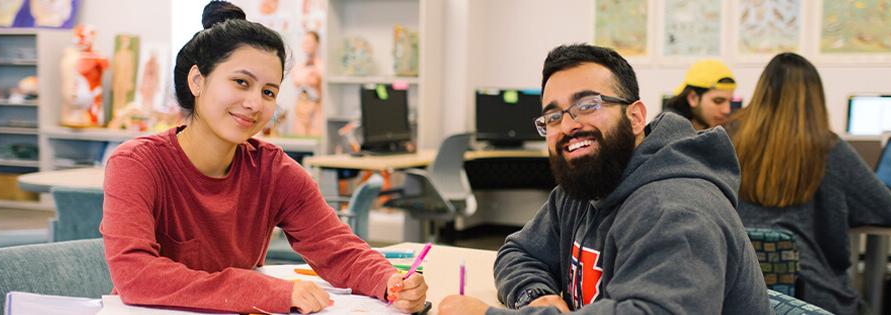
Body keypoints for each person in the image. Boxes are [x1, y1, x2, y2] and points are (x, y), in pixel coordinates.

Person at [100, 2, 427, 314]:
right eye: (241, 83)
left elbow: (337, 248)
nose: (255, 103)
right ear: (197, 81)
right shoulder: (137, 164)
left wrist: (388, 281)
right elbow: (136, 275)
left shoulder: (274, 171)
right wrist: (271, 292)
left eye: (269, 92)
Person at [438, 44, 770, 314]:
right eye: (553, 116)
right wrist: (536, 296)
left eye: (588, 104)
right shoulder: (584, 185)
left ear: (636, 117)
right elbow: (519, 252)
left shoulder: (677, 209)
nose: (568, 126)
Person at [727, 52, 891, 315]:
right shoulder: (828, 148)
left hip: (736, 292)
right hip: (813, 299)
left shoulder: (728, 140)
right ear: (815, 100)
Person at [663, 59, 736, 130]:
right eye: (718, 101)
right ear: (693, 98)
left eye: (730, 101)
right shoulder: (667, 129)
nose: (727, 110)